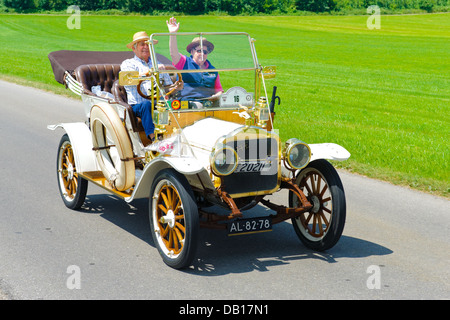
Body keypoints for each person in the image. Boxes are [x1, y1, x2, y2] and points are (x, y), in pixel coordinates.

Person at [121, 31, 173, 141]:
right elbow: (128, 81)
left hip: (158, 102)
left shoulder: (157, 63)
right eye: (142, 44)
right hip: (137, 104)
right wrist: (149, 72)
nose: (146, 47)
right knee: (146, 105)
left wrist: (178, 86)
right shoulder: (128, 64)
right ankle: (154, 138)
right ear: (134, 49)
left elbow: (168, 86)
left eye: (148, 44)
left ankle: (175, 134)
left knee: (175, 104)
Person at [166, 17, 223, 102]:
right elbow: (173, 53)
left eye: (205, 52)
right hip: (188, 102)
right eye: (199, 51)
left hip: (208, 102)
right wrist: (173, 33)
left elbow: (219, 91)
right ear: (192, 52)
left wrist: (216, 96)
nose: (202, 54)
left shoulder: (213, 71)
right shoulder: (184, 62)